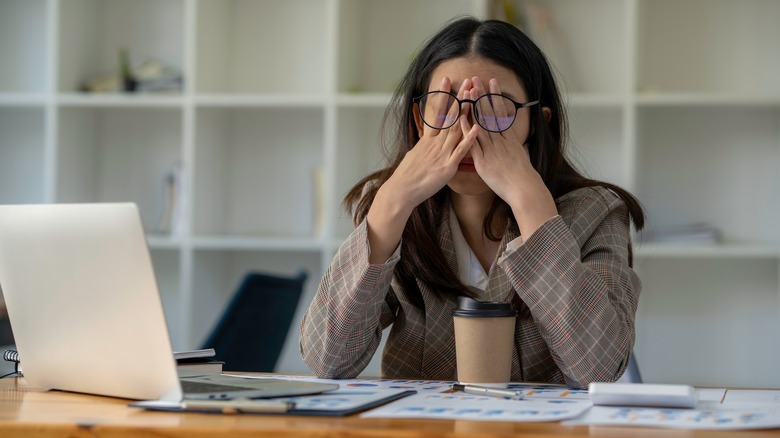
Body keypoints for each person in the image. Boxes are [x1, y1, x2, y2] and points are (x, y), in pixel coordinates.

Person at [299, 17, 645, 388]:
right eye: (445, 106)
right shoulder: (395, 209)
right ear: (419, 120)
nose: (467, 130)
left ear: (537, 123)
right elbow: (327, 360)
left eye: (494, 108)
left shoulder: (597, 211)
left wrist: (532, 205)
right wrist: (392, 201)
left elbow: (598, 369)